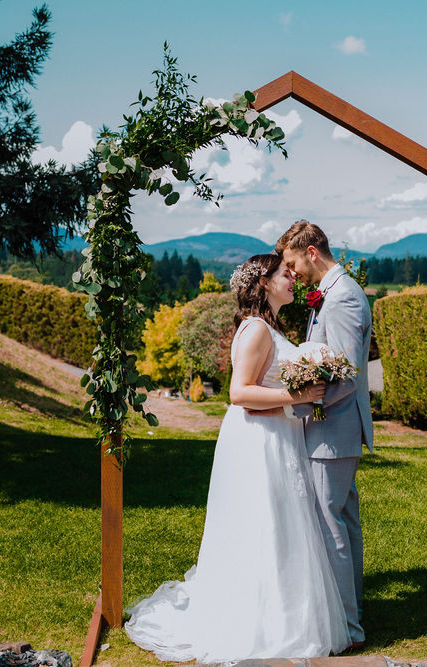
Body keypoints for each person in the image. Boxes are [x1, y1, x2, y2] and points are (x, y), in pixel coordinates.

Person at [124, 253, 350, 662]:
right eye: (285, 273)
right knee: (262, 524)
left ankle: (284, 616)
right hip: (258, 441)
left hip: (278, 435)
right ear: (263, 283)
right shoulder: (256, 331)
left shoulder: (270, 328)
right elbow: (239, 394)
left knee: (281, 527)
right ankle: (253, 621)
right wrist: (296, 396)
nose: (294, 277)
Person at [276, 220, 374, 650]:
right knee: (344, 523)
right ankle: (350, 614)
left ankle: (348, 628)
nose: (292, 272)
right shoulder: (330, 294)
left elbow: (349, 374)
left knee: (330, 523)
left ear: (311, 253)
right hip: (332, 430)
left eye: (292, 262)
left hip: (333, 430)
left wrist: (301, 403)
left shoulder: (344, 296)